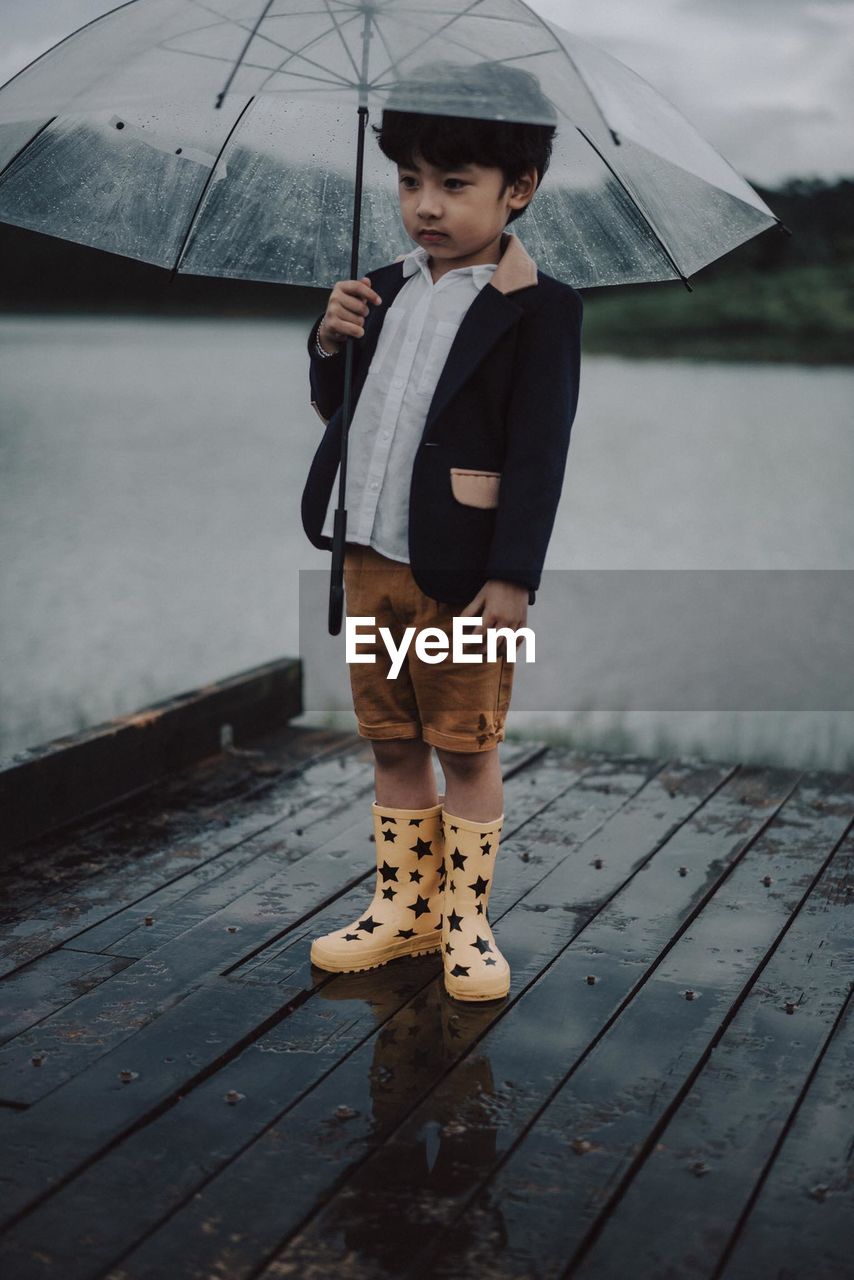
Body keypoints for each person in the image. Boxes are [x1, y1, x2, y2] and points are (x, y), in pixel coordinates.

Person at [301, 62, 583, 1002]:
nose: (427, 205)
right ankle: (401, 910)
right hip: (368, 555)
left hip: (464, 571)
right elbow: (342, 412)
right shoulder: (378, 289)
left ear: (519, 190)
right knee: (390, 739)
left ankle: (465, 919)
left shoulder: (539, 309)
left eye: (454, 185)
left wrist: (515, 576)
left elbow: (541, 453)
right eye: (411, 182)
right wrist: (329, 342)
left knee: (464, 743)